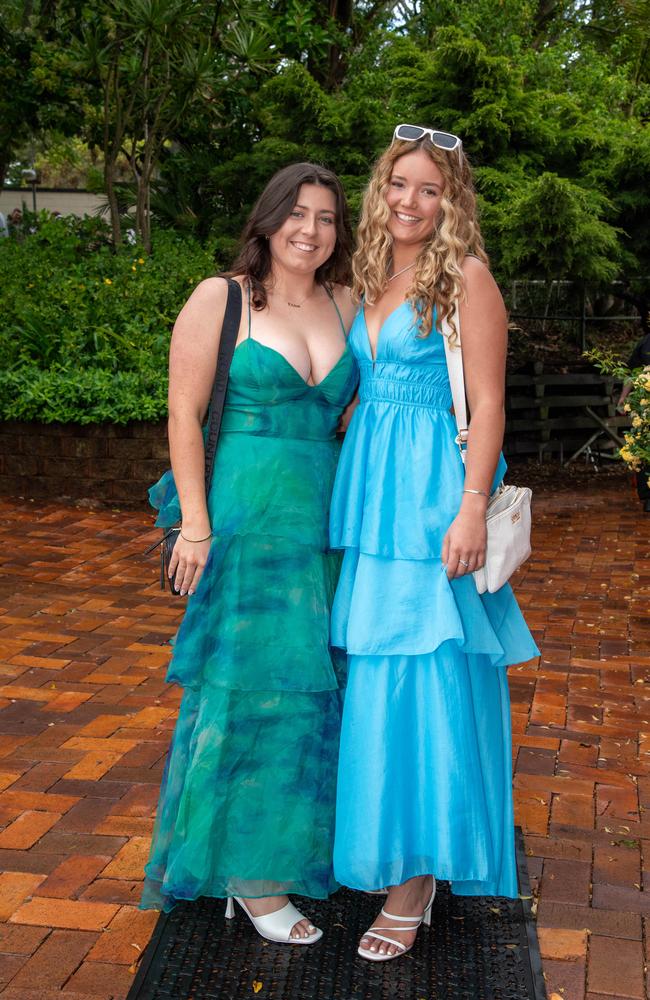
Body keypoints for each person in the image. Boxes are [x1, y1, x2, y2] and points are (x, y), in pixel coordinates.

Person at [329, 124, 540, 961]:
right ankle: (392, 846)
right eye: (399, 185)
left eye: (430, 189)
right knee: (379, 675)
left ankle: (414, 881)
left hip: (429, 503)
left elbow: (487, 406)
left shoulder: (468, 279)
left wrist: (468, 509)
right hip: (371, 498)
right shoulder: (371, 274)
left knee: (426, 676)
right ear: (381, 191)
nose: (411, 202)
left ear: (452, 202)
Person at [139, 163, 358, 945]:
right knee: (244, 694)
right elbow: (184, 412)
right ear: (267, 219)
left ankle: (288, 850)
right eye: (297, 213)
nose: (311, 229)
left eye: (327, 218)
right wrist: (194, 525)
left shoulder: (347, 303)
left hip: (326, 528)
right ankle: (250, 878)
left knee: (313, 695)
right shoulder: (221, 297)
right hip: (244, 521)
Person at [617, 332, 650, 512]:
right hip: (645, 406)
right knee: (644, 450)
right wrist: (623, 397)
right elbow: (630, 372)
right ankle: (648, 496)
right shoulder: (645, 341)